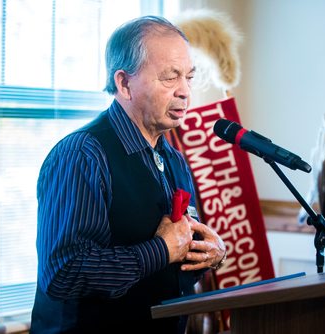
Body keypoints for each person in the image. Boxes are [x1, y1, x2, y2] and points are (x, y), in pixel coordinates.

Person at [30, 15, 226, 333]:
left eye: (189, 78)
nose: (185, 92)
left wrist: (209, 255)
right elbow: (64, 273)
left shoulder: (174, 159)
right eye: (170, 78)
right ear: (124, 84)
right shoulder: (83, 154)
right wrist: (160, 250)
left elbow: (178, 258)